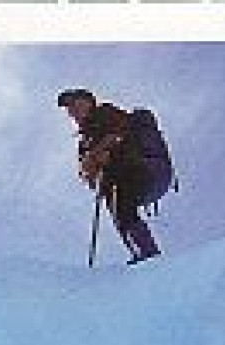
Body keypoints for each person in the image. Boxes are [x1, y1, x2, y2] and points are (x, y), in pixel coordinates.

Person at [57, 88, 170, 264]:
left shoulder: (106, 113)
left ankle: (148, 255)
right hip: (119, 180)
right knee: (119, 212)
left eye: (76, 104)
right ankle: (142, 253)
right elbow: (87, 175)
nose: (73, 111)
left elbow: (121, 132)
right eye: (69, 109)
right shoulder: (84, 141)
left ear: (89, 102)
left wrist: (100, 152)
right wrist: (91, 166)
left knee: (122, 208)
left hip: (139, 169)